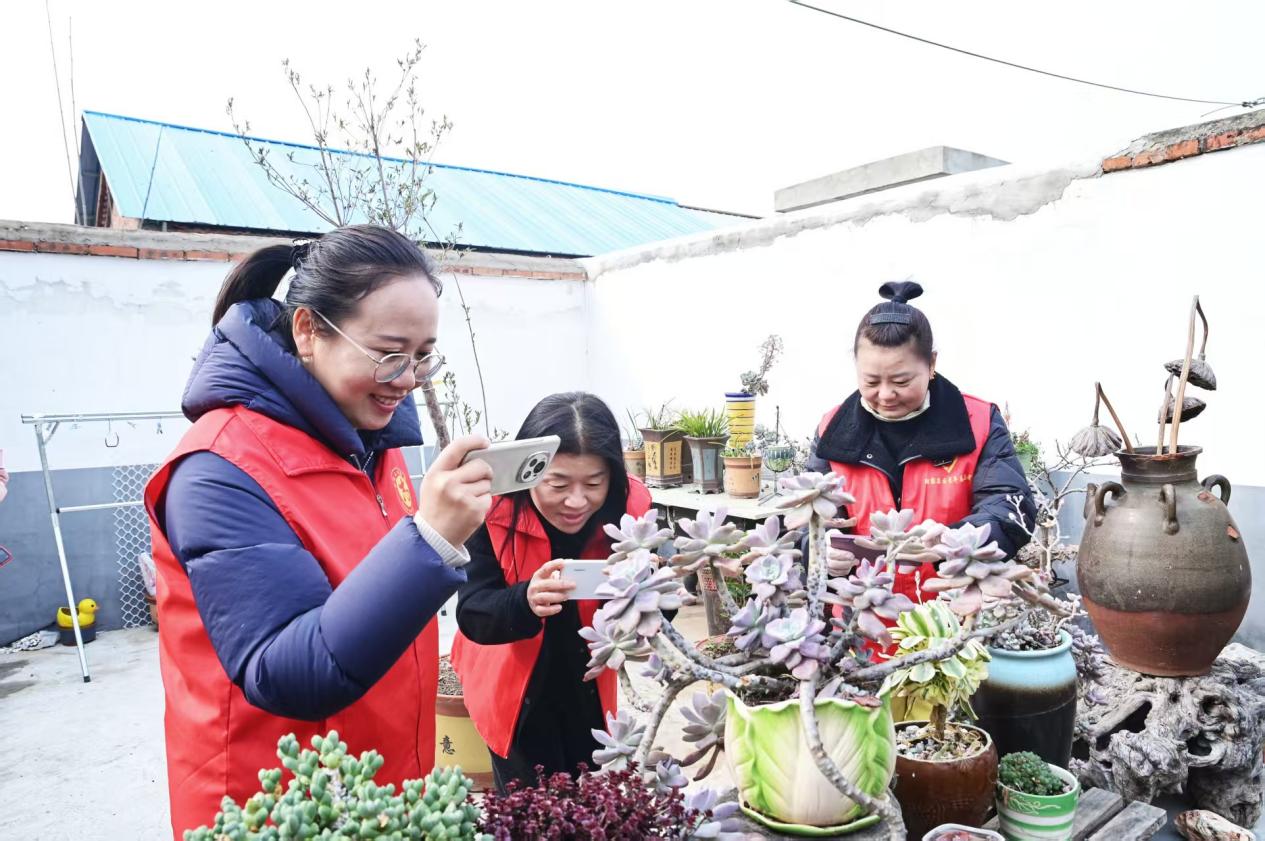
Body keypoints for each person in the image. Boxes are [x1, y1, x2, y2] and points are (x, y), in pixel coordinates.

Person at [144, 225, 494, 838]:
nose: (407, 377)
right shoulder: (218, 469)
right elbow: (285, 669)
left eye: (422, 354)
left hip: (378, 789)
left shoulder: (372, 445)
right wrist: (432, 540)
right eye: (389, 352)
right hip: (280, 805)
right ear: (308, 330)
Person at [451, 392, 651, 793]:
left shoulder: (631, 506)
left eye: (594, 483)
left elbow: (654, 612)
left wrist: (651, 592)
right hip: (513, 696)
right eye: (557, 483)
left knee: (587, 801)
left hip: (587, 687)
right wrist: (523, 601)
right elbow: (473, 612)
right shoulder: (489, 509)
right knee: (528, 809)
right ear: (528, 471)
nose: (576, 501)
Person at [807, 280, 1037, 605]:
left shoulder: (980, 422)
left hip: (952, 622)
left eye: (901, 381)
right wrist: (818, 546)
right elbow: (807, 521)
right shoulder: (833, 429)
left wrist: (958, 540)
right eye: (870, 381)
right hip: (858, 626)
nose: (885, 394)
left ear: (931, 364)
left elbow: (1011, 507)